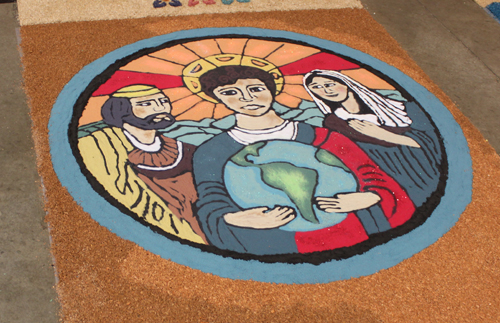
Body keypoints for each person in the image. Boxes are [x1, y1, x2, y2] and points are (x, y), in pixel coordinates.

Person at [192, 65, 416, 255]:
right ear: (217, 99)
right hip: (277, 240)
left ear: (272, 91)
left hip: (349, 228)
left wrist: (369, 197)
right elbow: (210, 199)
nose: (247, 98)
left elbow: (371, 174)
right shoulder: (211, 151)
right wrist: (237, 219)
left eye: (256, 89)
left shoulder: (324, 136)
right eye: (230, 92)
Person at [78, 84, 207, 244]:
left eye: (163, 101)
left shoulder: (186, 149)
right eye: (146, 104)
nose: (160, 108)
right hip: (168, 229)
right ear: (120, 110)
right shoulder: (104, 147)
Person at [303, 69, 443, 208]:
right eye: (316, 88)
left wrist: (383, 135)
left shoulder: (402, 109)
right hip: (394, 178)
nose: (326, 91)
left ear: (346, 83)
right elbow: (356, 156)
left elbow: (435, 143)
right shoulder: (335, 123)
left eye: (330, 84)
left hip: (427, 171)